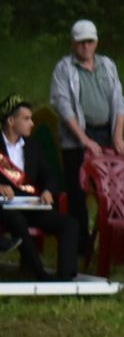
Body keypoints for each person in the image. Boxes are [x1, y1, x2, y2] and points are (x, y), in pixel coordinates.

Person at [48, 19, 124, 252]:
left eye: (89, 42)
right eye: (81, 42)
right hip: (76, 138)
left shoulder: (107, 65)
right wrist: (84, 140)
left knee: (114, 191)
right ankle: (81, 244)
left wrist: (118, 136)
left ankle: (114, 244)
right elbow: (63, 106)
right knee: (77, 192)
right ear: (73, 43)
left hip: (106, 132)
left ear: (96, 43)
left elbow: (118, 101)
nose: (85, 47)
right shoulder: (64, 68)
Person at [0, 94, 82, 280]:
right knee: (17, 221)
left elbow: (50, 177)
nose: (31, 123)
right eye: (26, 119)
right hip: (5, 207)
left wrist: (47, 190)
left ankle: (66, 278)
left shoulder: (32, 146)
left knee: (70, 224)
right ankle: (40, 274)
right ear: (11, 121)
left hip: (31, 205)